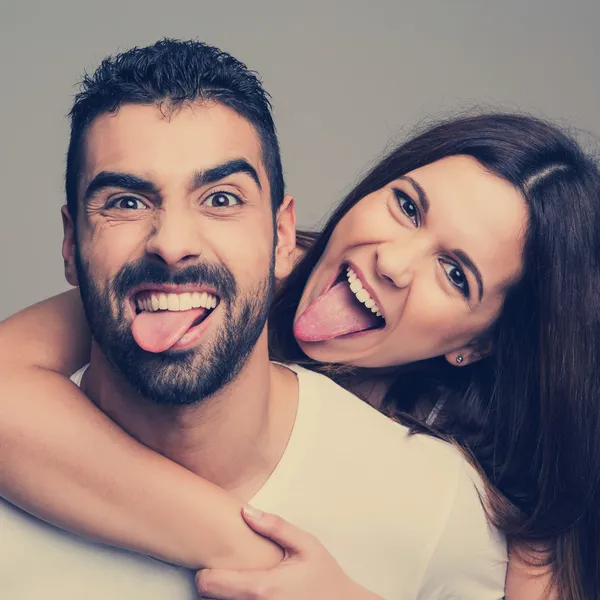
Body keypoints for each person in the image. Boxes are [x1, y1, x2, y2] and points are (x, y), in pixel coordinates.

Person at [0, 39, 509, 600]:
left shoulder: (440, 509)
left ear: (282, 234)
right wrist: (252, 554)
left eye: (221, 199)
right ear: (71, 242)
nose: (172, 245)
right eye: (125, 202)